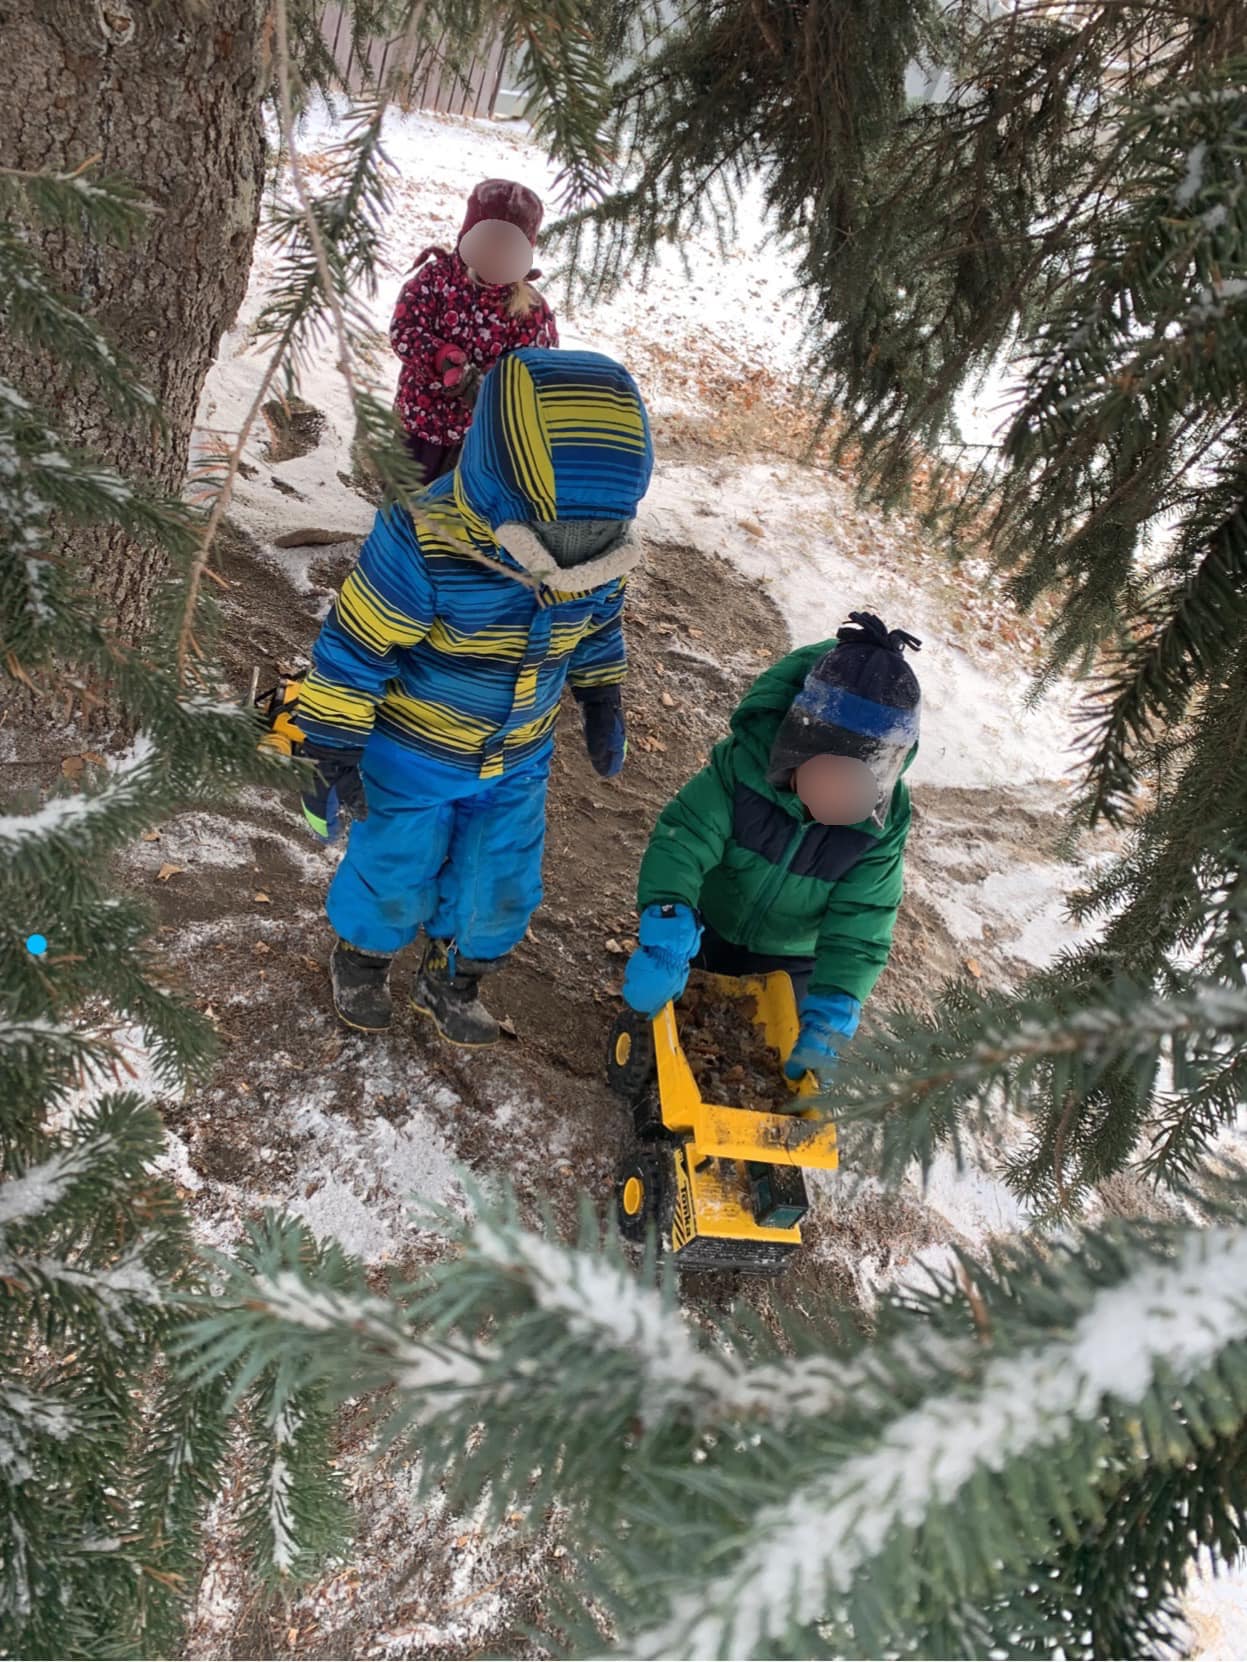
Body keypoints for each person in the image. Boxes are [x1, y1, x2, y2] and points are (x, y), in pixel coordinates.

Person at [295, 347, 653, 1043]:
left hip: (518, 754)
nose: (568, 566)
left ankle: (453, 976)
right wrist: (331, 742)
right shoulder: (423, 540)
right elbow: (357, 644)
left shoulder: (602, 551)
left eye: (590, 551)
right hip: (412, 752)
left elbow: (598, 621)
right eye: (549, 544)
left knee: (501, 876)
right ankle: (364, 958)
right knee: (395, 864)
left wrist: (602, 695)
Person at [620, 614, 921, 1083]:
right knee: (669, 1010)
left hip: (792, 955)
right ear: (796, 749)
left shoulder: (879, 828)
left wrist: (838, 1002)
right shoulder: (743, 767)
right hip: (710, 925)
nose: (835, 804)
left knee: (776, 1049)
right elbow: (684, 838)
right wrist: (668, 914)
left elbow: (862, 925)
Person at [390, 179, 558, 486]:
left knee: (460, 506)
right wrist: (439, 357)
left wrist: (486, 385)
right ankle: (395, 529)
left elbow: (534, 368)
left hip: (478, 436)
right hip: (419, 418)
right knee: (403, 498)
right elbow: (405, 329)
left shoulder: (530, 309)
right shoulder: (436, 279)